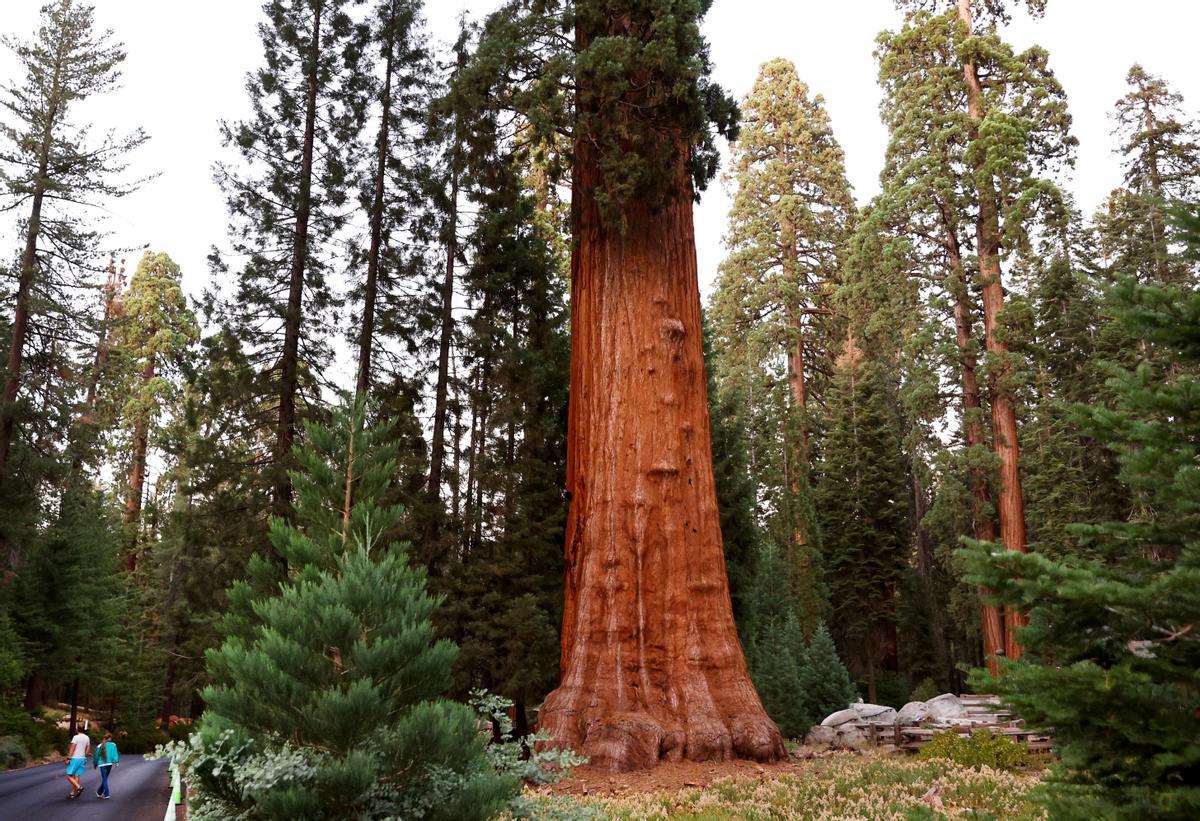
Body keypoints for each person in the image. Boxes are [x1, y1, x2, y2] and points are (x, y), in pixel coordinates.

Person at [65, 726, 90, 799]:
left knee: (68, 776)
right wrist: (84, 757)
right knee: (77, 775)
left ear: (77, 729)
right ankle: (72, 793)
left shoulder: (76, 737)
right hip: (82, 758)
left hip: (75, 758)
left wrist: (68, 758)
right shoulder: (87, 737)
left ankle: (79, 787)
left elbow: (72, 748)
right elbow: (87, 750)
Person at [93, 731, 119, 799]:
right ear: (109, 738)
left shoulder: (99, 746)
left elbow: (96, 756)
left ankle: (103, 793)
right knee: (105, 779)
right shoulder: (113, 745)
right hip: (109, 764)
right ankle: (102, 793)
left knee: (104, 779)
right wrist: (116, 762)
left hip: (102, 764)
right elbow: (115, 754)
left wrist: (95, 764)